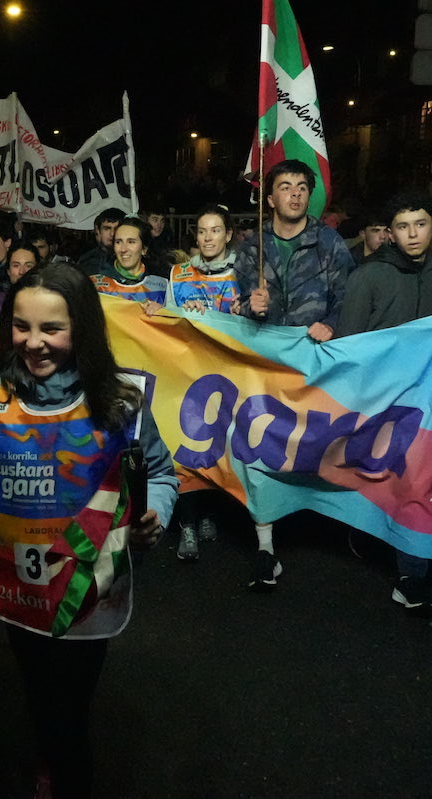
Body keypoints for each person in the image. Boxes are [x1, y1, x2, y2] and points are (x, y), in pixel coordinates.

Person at [0, 263, 178, 798]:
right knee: (38, 688)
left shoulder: (121, 401)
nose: (34, 342)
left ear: (81, 329)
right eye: (21, 326)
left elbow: (159, 472)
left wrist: (154, 512)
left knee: (72, 704)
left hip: (91, 592)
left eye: (52, 328)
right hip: (20, 591)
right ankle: (53, 751)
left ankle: (67, 772)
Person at [337, 192, 432, 616]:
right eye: (403, 226)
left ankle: (411, 577)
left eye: (421, 224)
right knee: (377, 478)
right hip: (378, 399)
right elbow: (350, 341)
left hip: (426, 403)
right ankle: (367, 529)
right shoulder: (369, 276)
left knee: (418, 482)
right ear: (391, 233)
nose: (413, 234)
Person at [232, 159, 352, 590]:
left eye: (302, 186)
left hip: (314, 364)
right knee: (260, 446)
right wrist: (251, 308)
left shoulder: (329, 243)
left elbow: (347, 297)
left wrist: (332, 324)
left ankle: (328, 524)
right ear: (270, 198)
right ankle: (266, 547)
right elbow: (237, 302)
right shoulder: (253, 247)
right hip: (266, 365)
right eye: (285, 186)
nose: (295, 194)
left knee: (318, 444)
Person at [159, 204, 243, 561]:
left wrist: (243, 312)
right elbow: (166, 321)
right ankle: (188, 523)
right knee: (187, 450)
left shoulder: (244, 272)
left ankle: (210, 513)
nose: (208, 237)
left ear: (228, 235)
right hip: (186, 376)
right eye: (202, 231)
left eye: (215, 230)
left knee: (217, 451)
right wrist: (166, 314)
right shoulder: (178, 274)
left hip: (227, 378)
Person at [89, 216, 169, 311]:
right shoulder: (97, 283)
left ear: (144, 249)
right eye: (118, 242)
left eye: (131, 242)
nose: (123, 249)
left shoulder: (162, 283)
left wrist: (164, 311)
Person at [75, 207, 125, 278]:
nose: (112, 234)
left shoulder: (133, 259)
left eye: (117, 228)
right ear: (98, 231)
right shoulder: (87, 261)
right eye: (107, 228)